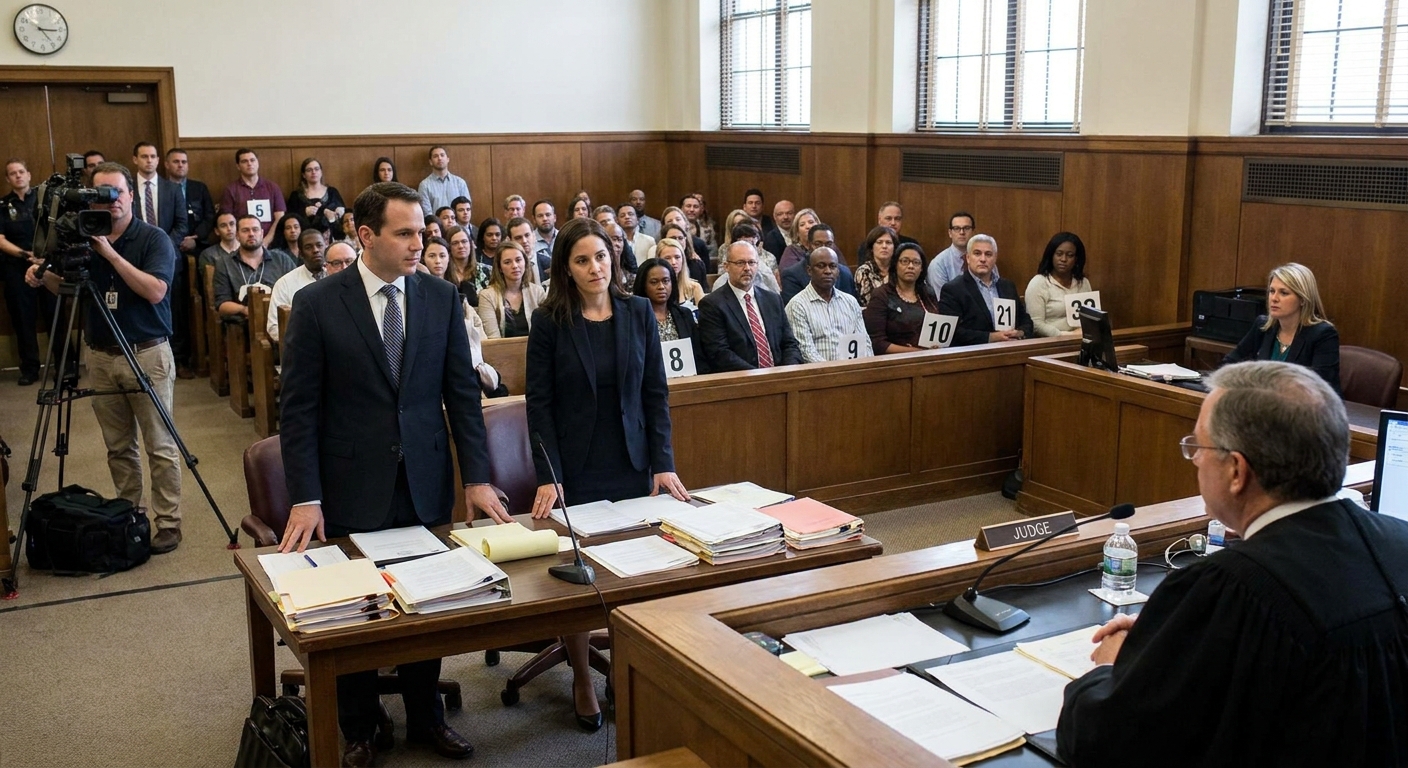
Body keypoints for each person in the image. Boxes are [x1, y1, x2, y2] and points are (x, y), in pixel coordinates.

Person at [1057, 361, 1408, 767]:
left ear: (1237, 471)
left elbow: (1104, 744)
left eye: (1198, 448)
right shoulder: (1399, 544)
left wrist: (1115, 670)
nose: (1194, 460)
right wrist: (1175, 636)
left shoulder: (1230, 589)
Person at [278, 181, 508, 767]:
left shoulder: (438, 296)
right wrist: (306, 496)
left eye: (421, 231)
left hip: (425, 477)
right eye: (404, 233)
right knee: (357, 608)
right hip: (350, 481)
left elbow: (461, 395)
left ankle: (425, 717)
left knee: (427, 603)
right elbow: (298, 410)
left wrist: (476, 477)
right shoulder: (318, 304)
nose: (419, 243)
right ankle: (357, 725)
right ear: (365, 236)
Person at [526, 218, 689, 732]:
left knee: (631, 572)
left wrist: (663, 462)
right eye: (581, 260)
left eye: (601, 256)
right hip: (574, 470)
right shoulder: (550, 320)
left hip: (630, 462)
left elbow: (655, 394)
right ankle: (580, 676)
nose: (595, 267)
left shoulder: (638, 311)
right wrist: (549, 474)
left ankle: (623, 667)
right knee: (580, 580)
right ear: (565, 269)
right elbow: (540, 405)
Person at [25, 163, 183, 554]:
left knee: (160, 446)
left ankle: (168, 523)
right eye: (99, 194)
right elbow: (72, 289)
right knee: (118, 446)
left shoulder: (153, 238)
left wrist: (110, 255)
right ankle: (130, 514)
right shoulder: (82, 238)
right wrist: (41, 277)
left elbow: (156, 291)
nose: (108, 202)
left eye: (115, 193)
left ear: (130, 195)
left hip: (146, 353)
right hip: (100, 355)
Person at [1221, 263, 1340, 393]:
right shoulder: (1263, 326)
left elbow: (1318, 384)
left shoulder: (1323, 334)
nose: (1274, 298)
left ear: (1303, 299)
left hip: (1309, 408)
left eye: (1283, 293)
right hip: (1266, 402)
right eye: (1272, 291)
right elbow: (1230, 362)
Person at [697, 241, 803, 371]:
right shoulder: (712, 304)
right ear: (726, 266)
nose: (747, 268)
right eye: (740, 263)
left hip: (780, 378)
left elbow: (789, 344)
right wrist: (759, 377)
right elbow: (720, 353)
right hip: (741, 382)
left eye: (751, 262)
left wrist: (786, 372)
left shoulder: (773, 299)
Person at [0, 158, 50, 385]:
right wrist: (25, 255)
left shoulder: (45, 201)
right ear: (8, 179)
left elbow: (55, 230)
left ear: (29, 175)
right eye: (13, 173)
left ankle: (66, 365)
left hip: (47, 265)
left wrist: (44, 256)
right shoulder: (2, 206)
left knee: (54, 316)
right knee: (23, 320)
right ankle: (30, 368)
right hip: (16, 268)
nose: (18, 176)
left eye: (21, 171)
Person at [937, 234, 1032, 345]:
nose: (983, 259)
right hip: (974, 354)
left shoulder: (1007, 286)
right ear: (968, 258)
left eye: (988, 254)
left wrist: (1020, 332)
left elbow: (1025, 319)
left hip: (1010, 349)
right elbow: (952, 332)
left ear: (995, 258)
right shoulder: (953, 289)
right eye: (977, 254)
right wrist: (991, 337)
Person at [786, 247, 872, 363]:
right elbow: (806, 351)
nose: (828, 271)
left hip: (853, 372)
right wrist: (834, 373)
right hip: (819, 376)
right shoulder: (797, 305)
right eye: (821, 266)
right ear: (809, 271)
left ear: (838, 271)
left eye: (832, 266)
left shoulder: (850, 302)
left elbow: (864, 343)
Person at [632, 256, 708, 374]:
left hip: (687, 381)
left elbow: (699, 356)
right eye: (654, 282)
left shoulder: (684, 314)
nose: (661, 286)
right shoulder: (633, 319)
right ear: (643, 285)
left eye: (666, 281)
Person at [214, 215, 297, 318]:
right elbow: (221, 305)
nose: (251, 234)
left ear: (262, 233)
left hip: (279, 319)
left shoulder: (282, 259)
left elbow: (298, 291)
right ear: (237, 235)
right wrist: (245, 310)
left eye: (255, 230)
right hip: (243, 324)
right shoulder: (224, 263)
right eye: (245, 231)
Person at [864, 242, 941, 354]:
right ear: (895, 265)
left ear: (921, 268)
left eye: (916, 262)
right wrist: (917, 352)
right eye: (905, 261)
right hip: (895, 363)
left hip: (929, 357)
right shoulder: (881, 295)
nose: (910, 266)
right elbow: (876, 343)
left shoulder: (928, 293)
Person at [1024, 232, 1095, 337]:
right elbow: (1036, 324)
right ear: (1051, 255)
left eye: (1070, 255)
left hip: (1082, 339)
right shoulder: (1038, 283)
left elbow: (1091, 318)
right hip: (1050, 342)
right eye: (1059, 254)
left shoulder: (1083, 283)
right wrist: (1065, 335)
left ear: (1076, 259)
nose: (1063, 259)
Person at [266, 228, 330, 342]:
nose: (315, 250)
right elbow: (274, 328)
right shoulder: (285, 283)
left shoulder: (337, 276)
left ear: (326, 247)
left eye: (319, 245)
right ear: (300, 254)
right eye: (308, 247)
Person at [477, 239, 545, 339]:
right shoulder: (487, 296)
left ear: (525, 262)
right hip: (501, 352)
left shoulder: (538, 292)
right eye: (507, 262)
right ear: (500, 268)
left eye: (518, 260)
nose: (515, 266)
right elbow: (493, 340)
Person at [218, 148, 285, 247]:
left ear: (258, 163)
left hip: (271, 243)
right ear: (238, 166)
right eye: (244, 161)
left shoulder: (272, 187)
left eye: (252, 160)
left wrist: (266, 240)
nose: (249, 164)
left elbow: (280, 218)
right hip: (241, 244)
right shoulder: (230, 190)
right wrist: (240, 241)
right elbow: (228, 220)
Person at [780, 223, 858, 306]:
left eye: (829, 244)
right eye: (818, 244)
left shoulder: (844, 273)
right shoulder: (792, 274)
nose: (824, 248)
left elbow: (850, 305)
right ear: (809, 245)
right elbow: (793, 309)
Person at [927, 211, 988, 296]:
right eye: (957, 228)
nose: (962, 232)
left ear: (973, 232)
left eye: (966, 228)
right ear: (950, 233)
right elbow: (942, 301)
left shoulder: (985, 260)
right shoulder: (938, 264)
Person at [711, 221, 780, 294]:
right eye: (740, 263)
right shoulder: (721, 283)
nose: (747, 268)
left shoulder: (765, 271)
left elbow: (776, 294)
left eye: (753, 244)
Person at [286, 157, 345, 230]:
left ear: (321, 172)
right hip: (305, 235)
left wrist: (336, 213)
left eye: (316, 169)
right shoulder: (296, 195)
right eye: (309, 170)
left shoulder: (332, 192)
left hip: (331, 236)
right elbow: (289, 218)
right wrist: (304, 213)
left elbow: (343, 215)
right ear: (304, 175)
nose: (313, 172)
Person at [417, 146, 470, 216]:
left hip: (457, 226)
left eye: (442, 155)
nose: (439, 158)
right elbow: (427, 213)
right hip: (437, 226)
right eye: (435, 156)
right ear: (430, 162)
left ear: (448, 159)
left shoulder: (460, 183)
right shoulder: (424, 185)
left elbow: (466, 208)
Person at [655, 237, 705, 307]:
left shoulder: (694, 288)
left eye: (677, 257)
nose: (673, 262)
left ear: (683, 259)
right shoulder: (656, 289)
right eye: (667, 258)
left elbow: (704, 315)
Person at [854, 225, 897, 306]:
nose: (884, 246)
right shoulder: (864, 271)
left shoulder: (899, 269)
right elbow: (868, 301)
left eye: (888, 242)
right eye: (879, 242)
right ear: (872, 248)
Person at [506, 215, 550, 284]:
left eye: (527, 235)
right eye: (518, 238)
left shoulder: (548, 263)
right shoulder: (506, 267)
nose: (524, 241)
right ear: (509, 241)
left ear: (534, 236)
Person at [445, 225, 489, 292]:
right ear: (449, 247)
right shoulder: (444, 272)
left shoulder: (486, 271)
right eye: (455, 243)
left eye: (464, 241)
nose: (460, 246)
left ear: (470, 244)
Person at [198, 211, 239, 276]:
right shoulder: (208, 255)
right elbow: (209, 282)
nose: (229, 228)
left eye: (232, 224)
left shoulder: (248, 250)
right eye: (223, 226)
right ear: (217, 231)